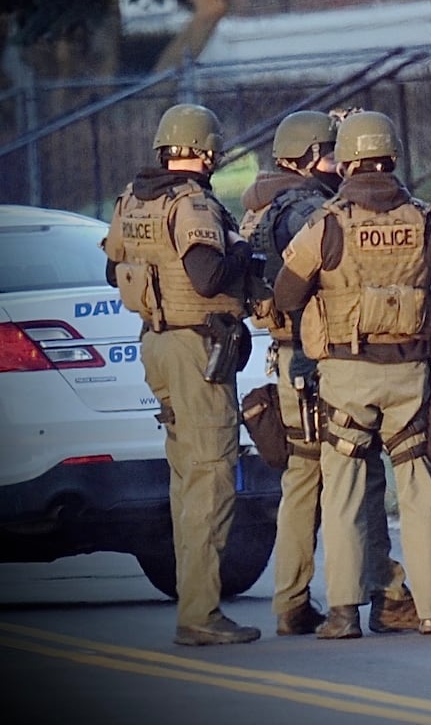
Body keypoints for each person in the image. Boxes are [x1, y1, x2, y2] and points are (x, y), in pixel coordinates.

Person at [273, 109, 431, 638]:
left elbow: (286, 293)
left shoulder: (329, 224)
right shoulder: (428, 220)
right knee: (419, 489)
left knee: (342, 491)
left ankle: (343, 613)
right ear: (391, 157)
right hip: (409, 373)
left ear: (346, 164)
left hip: (345, 375)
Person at [239, 109, 418, 636]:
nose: (341, 165)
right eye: (331, 153)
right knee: (357, 477)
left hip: (286, 361)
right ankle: (387, 594)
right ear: (310, 156)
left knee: (303, 479)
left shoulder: (262, 207)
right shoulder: (309, 210)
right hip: (320, 359)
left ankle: (292, 601)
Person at [103, 103, 260, 646]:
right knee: (212, 476)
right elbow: (207, 272)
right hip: (198, 350)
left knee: (185, 474)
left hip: (158, 346)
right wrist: (243, 254)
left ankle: (194, 604)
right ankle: (200, 613)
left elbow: (111, 267)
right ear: (204, 151)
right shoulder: (192, 204)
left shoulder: (132, 200)